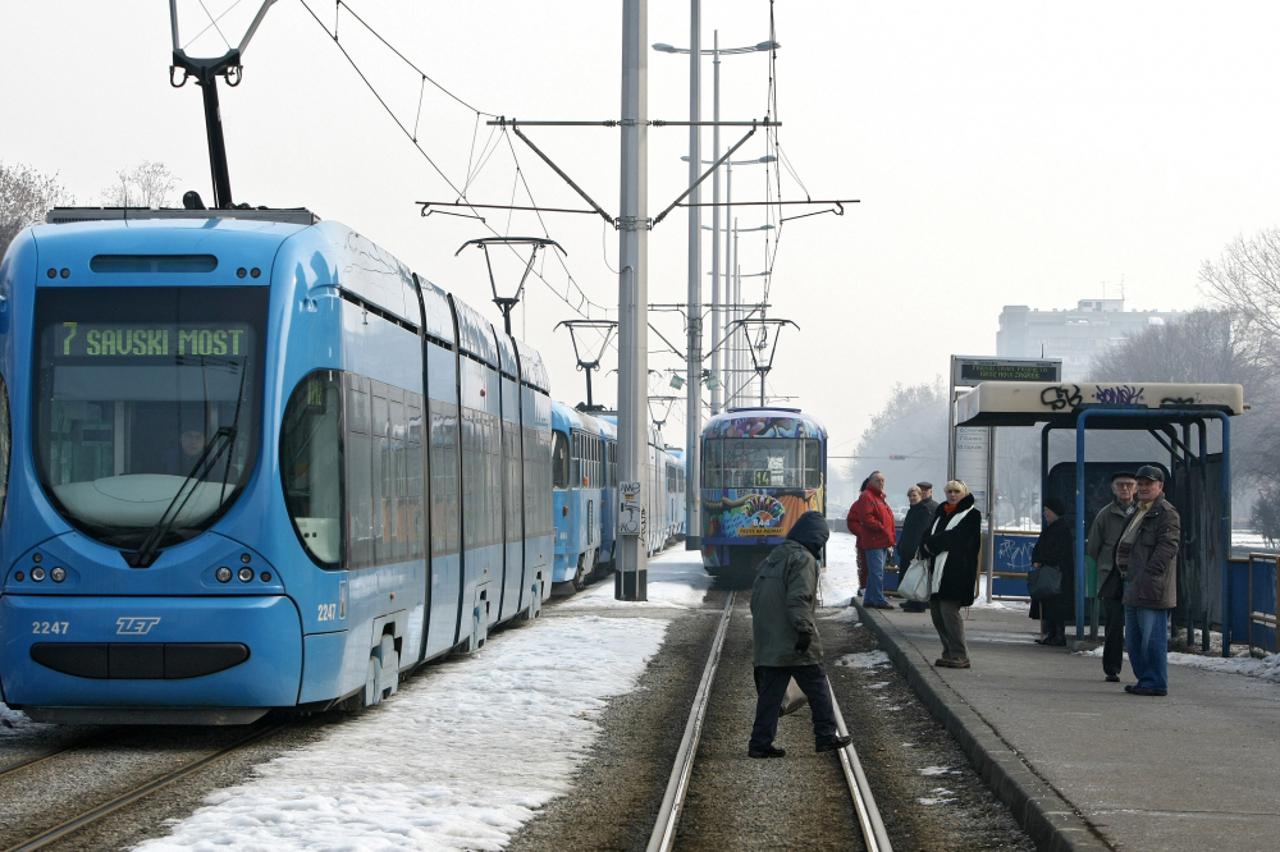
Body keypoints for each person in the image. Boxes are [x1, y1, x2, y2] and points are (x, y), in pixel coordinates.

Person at [748, 510, 853, 757]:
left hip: (770, 637)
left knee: (770, 696)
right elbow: (799, 598)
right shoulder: (803, 559)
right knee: (818, 687)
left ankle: (759, 744)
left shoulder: (775, 556)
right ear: (816, 538)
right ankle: (825, 736)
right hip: (793, 637)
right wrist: (804, 631)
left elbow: (755, 599)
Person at [1119, 465, 1180, 697]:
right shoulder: (1137, 510)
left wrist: (1149, 575)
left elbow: (1168, 547)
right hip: (1132, 583)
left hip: (1151, 587)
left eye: (1149, 484)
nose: (1143, 488)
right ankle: (1145, 679)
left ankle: (1155, 681)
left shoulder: (1166, 513)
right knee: (1134, 640)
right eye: (1141, 484)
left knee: (1151, 639)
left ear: (1160, 486)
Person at [920, 480, 982, 668]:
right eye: (949, 491)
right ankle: (948, 652)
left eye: (956, 491)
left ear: (964, 493)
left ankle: (960, 654)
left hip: (957, 571)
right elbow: (928, 534)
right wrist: (926, 544)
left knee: (949, 612)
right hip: (937, 571)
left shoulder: (972, 514)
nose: (952, 495)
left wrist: (931, 544)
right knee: (937, 613)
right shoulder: (941, 513)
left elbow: (957, 537)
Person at [1086, 472, 1137, 682]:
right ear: (1113, 488)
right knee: (1114, 624)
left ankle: (1140, 669)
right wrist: (1107, 565)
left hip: (1137, 575)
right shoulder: (1105, 515)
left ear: (1135, 488)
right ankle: (1112, 668)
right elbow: (1093, 546)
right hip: (1111, 577)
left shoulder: (1142, 512)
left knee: (1137, 624)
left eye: (1129, 484)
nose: (1125, 488)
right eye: (1120, 485)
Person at [847, 471, 896, 609]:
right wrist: (881, 528)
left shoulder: (879, 498)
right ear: (870, 482)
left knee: (875, 572)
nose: (881, 483)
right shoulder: (867, 496)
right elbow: (867, 518)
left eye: (883, 480)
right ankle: (878, 599)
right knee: (876, 572)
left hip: (881, 540)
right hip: (875, 540)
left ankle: (869, 598)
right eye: (878, 480)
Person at [1029, 497, 1074, 646]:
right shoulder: (1054, 528)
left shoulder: (1059, 529)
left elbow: (1056, 552)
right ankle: (1053, 634)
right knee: (1050, 604)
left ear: (1054, 512)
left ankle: (1058, 635)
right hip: (1053, 573)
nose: (1044, 513)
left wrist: (1041, 559)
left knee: (1056, 605)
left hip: (1057, 574)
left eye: (1047, 510)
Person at [897, 485, 932, 612]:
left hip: (916, 550)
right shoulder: (911, 510)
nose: (912, 498)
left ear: (920, 496)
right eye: (910, 496)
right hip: (907, 549)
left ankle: (919, 604)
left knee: (916, 576)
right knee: (908, 576)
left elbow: (922, 532)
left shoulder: (923, 510)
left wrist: (918, 549)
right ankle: (911, 600)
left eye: (914, 496)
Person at [846, 476, 871, 597]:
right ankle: (864, 588)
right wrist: (863, 533)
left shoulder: (882, 503)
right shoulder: (858, 505)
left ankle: (874, 590)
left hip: (879, 544)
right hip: (864, 543)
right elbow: (852, 522)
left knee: (877, 569)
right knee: (864, 567)